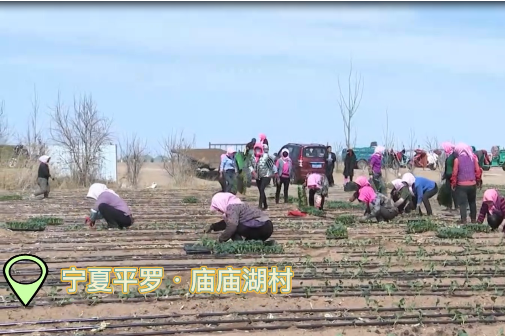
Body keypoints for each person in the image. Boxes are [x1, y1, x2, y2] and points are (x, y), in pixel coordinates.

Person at [206, 192, 273, 242]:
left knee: (232, 228)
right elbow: (229, 221)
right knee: (233, 225)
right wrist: (213, 226)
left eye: (218, 208)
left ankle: (239, 243)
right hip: (266, 227)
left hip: (261, 227)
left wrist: (221, 240)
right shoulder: (237, 203)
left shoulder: (232, 207)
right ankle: (245, 244)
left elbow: (232, 225)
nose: (219, 210)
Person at [450, 143, 482, 224]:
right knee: (472, 202)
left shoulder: (457, 160)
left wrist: (453, 183)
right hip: (472, 184)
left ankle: (464, 221)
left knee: (463, 204)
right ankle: (473, 220)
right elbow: (478, 171)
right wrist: (478, 181)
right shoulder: (473, 158)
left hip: (461, 185)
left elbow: (455, 173)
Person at [255, 144, 277, 210]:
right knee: (261, 191)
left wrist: (275, 174)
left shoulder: (267, 157)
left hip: (266, 176)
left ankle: (260, 206)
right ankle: (265, 205)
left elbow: (272, 166)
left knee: (262, 189)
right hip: (259, 176)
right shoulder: (257, 157)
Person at [441, 142, 458, 211]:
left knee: (454, 191)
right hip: (448, 176)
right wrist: (444, 175)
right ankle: (449, 206)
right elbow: (447, 167)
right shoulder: (448, 156)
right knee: (447, 191)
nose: (444, 149)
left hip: (453, 175)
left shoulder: (454, 155)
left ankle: (457, 206)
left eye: (445, 148)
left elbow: (456, 166)